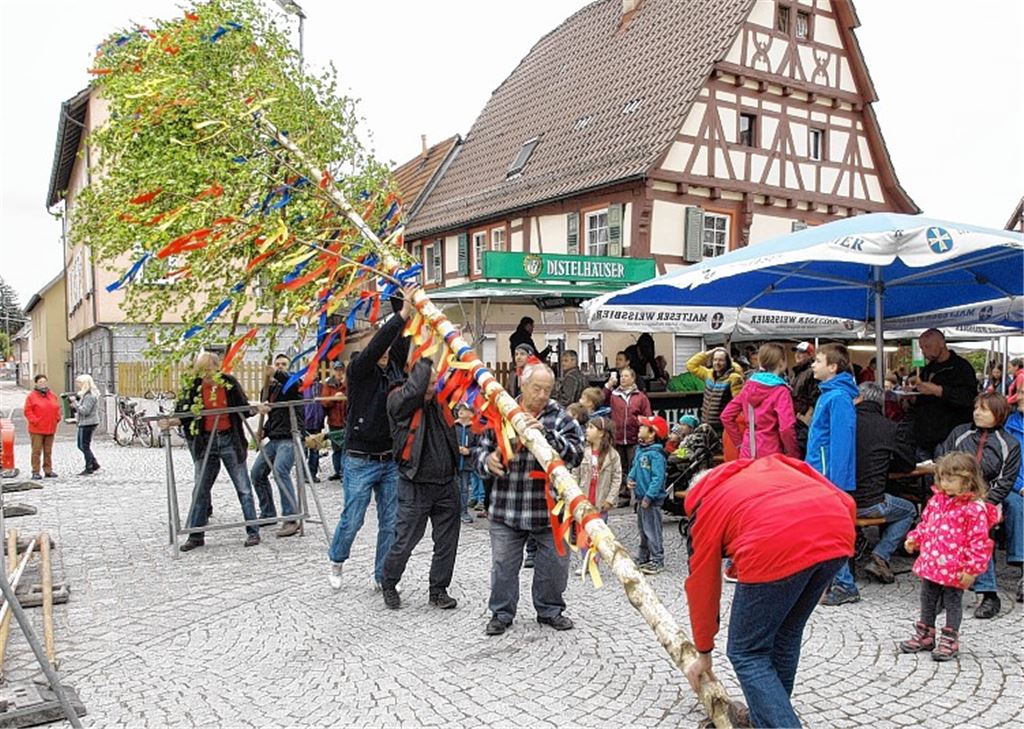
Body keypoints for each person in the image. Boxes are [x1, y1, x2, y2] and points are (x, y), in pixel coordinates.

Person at [683, 455, 855, 728]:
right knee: (787, 633)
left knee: (747, 651)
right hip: (837, 531)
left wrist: (704, 652)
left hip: (773, 546)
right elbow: (846, 502)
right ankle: (766, 716)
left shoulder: (705, 506)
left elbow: (702, 585)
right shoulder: (772, 464)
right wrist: (825, 565)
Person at [474, 361, 584, 636]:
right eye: (537, 388)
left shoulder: (560, 417)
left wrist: (548, 437)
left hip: (550, 510)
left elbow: (577, 454)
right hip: (507, 506)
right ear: (522, 385)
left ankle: (550, 610)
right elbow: (479, 453)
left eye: (547, 389)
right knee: (503, 566)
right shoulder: (500, 411)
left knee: (555, 566)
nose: (542, 395)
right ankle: (501, 613)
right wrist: (488, 461)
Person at [327, 286, 413, 591]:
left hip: (389, 457)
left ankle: (382, 575)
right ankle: (337, 559)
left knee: (390, 520)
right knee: (353, 517)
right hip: (360, 458)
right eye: (381, 349)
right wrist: (400, 316)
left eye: (388, 350)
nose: (386, 352)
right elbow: (381, 341)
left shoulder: (395, 369)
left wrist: (404, 303)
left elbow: (402, 337)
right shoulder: (359, 370)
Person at [380, 355, 461, 611]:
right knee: (404, 541)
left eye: (435, 381)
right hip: (415, 485)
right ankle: (389, 583)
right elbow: (414, 390)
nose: (434, 386)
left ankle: (438, 590)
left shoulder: (440, 400)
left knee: (447, 543)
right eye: (430, 381)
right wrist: (425, 356)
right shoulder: (398, 401)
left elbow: (459, 380)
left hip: (447, 483)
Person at [900, 453, 999, 661]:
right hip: (933, 562)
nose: (945, 484)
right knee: (927, 598)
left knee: (953, 601)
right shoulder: (937, 500)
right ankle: (925, 632)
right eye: (942, 479)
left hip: (956, 566)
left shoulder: (974, 509)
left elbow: (979, 542)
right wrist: (915, 538)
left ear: (968, 481)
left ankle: (950, 637)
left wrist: (971, 570)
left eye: (951, 480)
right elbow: (927, 524)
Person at [934, 392, 1021, 619]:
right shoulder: (960, 433)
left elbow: (1005, 482)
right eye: (976, 408)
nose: (977, 413)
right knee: (941, 531)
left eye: (984, 409)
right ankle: (942, 587)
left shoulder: (1009, 444)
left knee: (977, 530)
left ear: (998, 413)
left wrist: (981, 503)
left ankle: (988, 593)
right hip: (953, 497)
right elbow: (943, 460)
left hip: (987, 501)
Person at [165, 351, 261, 551]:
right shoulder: (193, 385)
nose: (205, 373)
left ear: (217, 367)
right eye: (201, 369)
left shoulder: (228, 383)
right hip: (205, 441)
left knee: (243, 488)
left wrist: (256, 408)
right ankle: (196, 535)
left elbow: (243, 408)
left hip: (229, 439)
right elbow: (183, 412)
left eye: (208, 369)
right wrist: (170, 421)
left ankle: (253, 531)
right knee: (200, 490)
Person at [803, 343, 860, 606]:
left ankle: (845, 584)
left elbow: (842, 443)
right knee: (823, 529)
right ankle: (833, 581)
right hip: (820, 472)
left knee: (830, 530)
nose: (813, 365)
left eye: (818, 361)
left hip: (828, 477)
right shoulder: (828, 394)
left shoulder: (837, 398)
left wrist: (835, 483)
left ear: (833, 367)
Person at [851, 382, 918, 584]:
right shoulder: (889, 427)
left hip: (841, 500)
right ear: (880, 403)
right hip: (870, 503)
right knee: (909, 510)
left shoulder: (845, 422)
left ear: (859, 398)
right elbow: (907, 464)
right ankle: (880, 555)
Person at [250, 354, 304, 538]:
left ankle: (291, 518)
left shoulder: (294, 383)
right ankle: (268, 513)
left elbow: (292, 385)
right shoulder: (269, 389)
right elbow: (274, 416)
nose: (280, 366)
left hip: (290, 437)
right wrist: (264, 430)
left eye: (283, 364)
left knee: (280, 471)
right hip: (274, 438)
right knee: (257, 473)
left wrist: (277, 373)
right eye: (277, 364)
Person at [721, 343, 799, 460]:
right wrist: (794, 454)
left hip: (748, 450)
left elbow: (726, 416)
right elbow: (786, 428)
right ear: (781, 362)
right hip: (772, 452)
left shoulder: (748, 386)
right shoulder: (781, 391)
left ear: (761, 362)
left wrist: (739, 443)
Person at [908, 328, 977, 459]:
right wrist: (912, 396)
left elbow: (968, 398)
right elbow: (921, 397)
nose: (924, 352)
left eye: (928, 346)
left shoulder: (961, 367)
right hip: (924, 437)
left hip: (948, 437)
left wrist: (939, 390)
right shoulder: (927, 369)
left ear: (942, 343)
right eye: (922, 348)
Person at [604, 367, 652, 507]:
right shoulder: (614, 395)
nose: (623, 378)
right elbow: (601, 399)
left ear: (633, 378)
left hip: (634, 438)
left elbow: (647, 416)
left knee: (636, 468)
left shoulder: (640, 397)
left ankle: (638, 496)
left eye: (626, 376)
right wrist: (608, 385)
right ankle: (623, 496)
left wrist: (643, 430)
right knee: (620, 468)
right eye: (621, 376)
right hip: (618, 437)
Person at [628, 415, 669, 575]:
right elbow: (635, 468)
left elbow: (658, 478)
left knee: (652, 530)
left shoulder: (656, 455)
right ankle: (643, 556)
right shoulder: (640, 450)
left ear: (652, 433)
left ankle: (657, 559)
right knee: (643, 529)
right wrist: (630, 478)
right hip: (641, 497)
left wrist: (649, 496)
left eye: (643, 427)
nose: (639, 429)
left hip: (650, 500)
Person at [687, 348, 744, 437]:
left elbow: (738, 403)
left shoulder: (734, 378)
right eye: (715, 360)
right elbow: (691, 365)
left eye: (721, 360)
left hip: (722, 428)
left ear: (727, 362)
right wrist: (710, 352)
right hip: (706, 425)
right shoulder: (708, 374)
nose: (717, 363)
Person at [574, 416, 621, 517]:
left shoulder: (613, 455)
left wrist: (610, 500)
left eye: (591, 427)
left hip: (601, 504)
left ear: (601, 433)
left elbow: (616, 479)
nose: (587, 430)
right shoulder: (582, 452)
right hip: (583, 501)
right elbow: (575, 474)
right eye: (587, 427)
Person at [1004, 395, 1024, 603]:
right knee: (1016, 504)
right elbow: (1006, 463)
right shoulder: (1010, 425)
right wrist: (1020, 487)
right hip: (1014, 486)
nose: (1019, 398)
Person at [24, 374, 61, 480]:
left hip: (50, 427)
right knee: (36, 451)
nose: (43, 384)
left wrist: (57, 418)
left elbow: (57, 408)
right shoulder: (31, 396)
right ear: (36, 383)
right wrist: (35, 421)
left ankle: (48, 470)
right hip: (37, 429)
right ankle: (35, 471)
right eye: (40, 382)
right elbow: (27, 411)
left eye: (44, 382)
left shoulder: (52, 395)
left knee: (48, 451)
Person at [790, 341, 820, 456]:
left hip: (804, 421)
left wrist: (807, 416)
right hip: (797, 419)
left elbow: (815, 396)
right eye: (796, 351)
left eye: (802, 352)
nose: (797, 354)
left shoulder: (811, 372)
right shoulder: (797, 373)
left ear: (810, 355)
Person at [68, 374, 101, 476]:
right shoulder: (86, 395)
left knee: (84, 446)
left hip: (88, 423)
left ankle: (89, 467)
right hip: (84, 422)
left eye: (79, 383)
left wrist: (75, 403)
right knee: (81, 445)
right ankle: (94, 463)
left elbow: (85, 411)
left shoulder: (90, 396)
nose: (77, 385)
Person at [455, 403, 481, 524]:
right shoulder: (453, 426)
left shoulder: (475, 429)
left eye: (464, 409)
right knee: (453, 488)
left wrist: (469, 451)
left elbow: (479, 447)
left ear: (471, 414)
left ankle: (463, 511)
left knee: (464, 489)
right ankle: (452, 512)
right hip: (453, 463)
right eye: (460, 409)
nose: (461, 411)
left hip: (466, 464)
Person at [322, 360, 348, 481]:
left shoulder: (348, 384)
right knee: (336, 448)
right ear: (334, 371)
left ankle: (344, 472)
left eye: (341, 370)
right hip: (334, 421)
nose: (339, 372)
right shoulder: (328, 385)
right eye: (337, 370)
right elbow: (324, 402)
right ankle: (338, 471)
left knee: (345, 448)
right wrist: (334, 399)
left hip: (346, 421)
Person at [302, 372, 326, 482]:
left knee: (315, 451)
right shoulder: (303, 388)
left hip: (317, 423)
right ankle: (303, 474)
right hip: (304, 422)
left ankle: (312, 474)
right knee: (303, 451)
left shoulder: (322, 387)